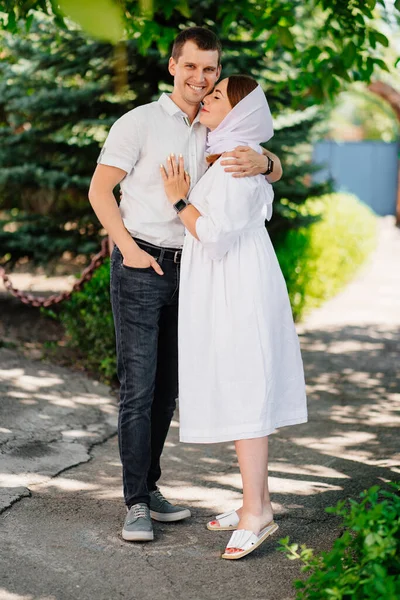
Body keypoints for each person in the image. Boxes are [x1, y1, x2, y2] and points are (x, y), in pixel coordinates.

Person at [88, 27, 283, 542]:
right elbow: (99, 190)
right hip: (142, 262)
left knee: (169, 388)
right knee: (139, 386)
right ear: (173, 66)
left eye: (211, 70)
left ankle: (150, 488)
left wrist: (269, 162)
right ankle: (134, 503)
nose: (202, 77)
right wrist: (128, 249)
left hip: (196, 269)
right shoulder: (140, 123)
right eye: (192, 66)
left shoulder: (218, 127)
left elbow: (256, 166)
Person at [160, 74, 307, 560]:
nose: (206, 96)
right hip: (234, 282)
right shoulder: (235, 154)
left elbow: (216, 236)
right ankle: (256, 500)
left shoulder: (235, 163)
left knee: (245, 389)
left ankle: (255, 514)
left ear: (239, 114)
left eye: (217, 95)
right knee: (240, 385)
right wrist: (270, 161)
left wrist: (180, 200)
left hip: (235, 288)